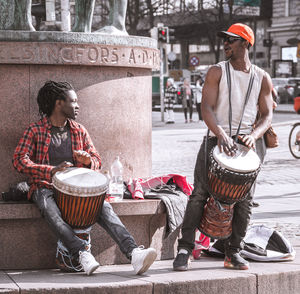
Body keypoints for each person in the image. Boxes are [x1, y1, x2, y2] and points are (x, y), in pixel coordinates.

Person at [13, 81, 157, 276]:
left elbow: (97, 159)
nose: (78, 106)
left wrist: (88, 161)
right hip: (44, 186)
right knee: (50, 211)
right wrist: (51, 170)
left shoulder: (79, 130)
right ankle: (81, 252)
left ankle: (133, 253)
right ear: (58, 104)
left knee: (104, 208)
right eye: (73, 101)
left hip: (78, 190)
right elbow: (19, 160)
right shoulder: (35, 130)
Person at [173, 23, 273, 271]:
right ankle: (185, 248)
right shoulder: (216, 71)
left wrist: (255, 135)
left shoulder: (262, 77)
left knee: (245, 201)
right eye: (225, 40)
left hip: (247, 145)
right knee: (199, 195)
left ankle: (233, 251)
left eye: (232, 39)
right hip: (215, 140)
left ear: (246, 43)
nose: (226, 44)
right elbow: (206, 108)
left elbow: (268, 115)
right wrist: (219, 133)